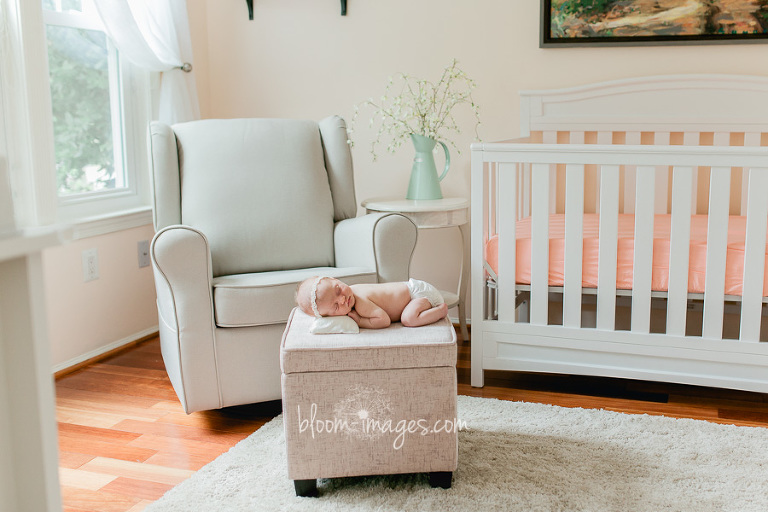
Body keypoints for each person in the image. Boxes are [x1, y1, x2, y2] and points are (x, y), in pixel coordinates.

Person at [295, 276, 448, 329]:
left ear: (336, 279)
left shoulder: (361, 302)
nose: (342, 299)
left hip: (418, 293)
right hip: (413, 292)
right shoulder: (352, 295)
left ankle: (440, 310)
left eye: (338, 290)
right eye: (336, 306)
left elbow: (384, 320)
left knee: (408, 319)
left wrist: (361, 321)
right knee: (407, 316)